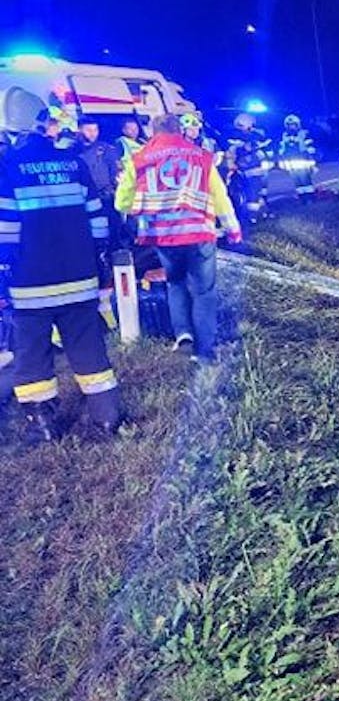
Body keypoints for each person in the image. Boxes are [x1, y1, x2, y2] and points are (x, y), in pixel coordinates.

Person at [0, 93, 124, 442]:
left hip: (30, 285)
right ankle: (106, 416)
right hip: (80, 277)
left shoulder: (8, 166)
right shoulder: (74, 163)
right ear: (44, 123)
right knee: (88, 345)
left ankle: (42, 423)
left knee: (33, 353)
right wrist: (99, 261)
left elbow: (5, 229)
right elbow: (99, 221)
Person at [115, 113, 242, 363]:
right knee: (204, 291)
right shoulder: (202, 157)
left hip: (163, 237)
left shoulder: (139, 159)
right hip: (198, 233)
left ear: (153, 132)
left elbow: (122, 201)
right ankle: (204, 350)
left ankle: (183, 334)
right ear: (178, 131)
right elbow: (219, 195)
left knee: (175, 283)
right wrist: (232, 227)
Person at [73, 118, 124, 205]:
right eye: (88, 130)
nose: (93, 134)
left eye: (95, 130)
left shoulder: (106, 149)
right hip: (80, 198)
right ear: (79, 130)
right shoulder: (71, 150)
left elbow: (117, 173)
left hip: (105, 198)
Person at [277, 114, 318, 198]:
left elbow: (310, 146)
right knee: (295, 178)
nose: (291, 127)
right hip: (290, 159)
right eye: (289, 125)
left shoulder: (303, 133)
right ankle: (301, 195)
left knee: (305, 178)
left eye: (293, 125)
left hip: (302, 158)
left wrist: (311, 158)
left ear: (297, 125)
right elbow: (282, 148)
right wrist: (281, 158)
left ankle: (310, 196)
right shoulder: (284, 135)